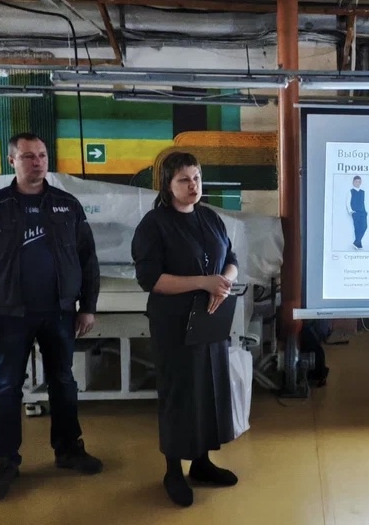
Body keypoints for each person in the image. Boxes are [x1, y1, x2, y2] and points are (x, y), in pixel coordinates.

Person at [0, 132, 103, 503]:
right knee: (7, 388)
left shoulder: (67, 205)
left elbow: (88, 260)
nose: (37, 162)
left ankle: (69, 450)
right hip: (8, 316)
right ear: (12, 161)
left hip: (59, 312)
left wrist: (87, 306)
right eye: (28, 156)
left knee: (63, 382)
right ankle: (4, 463)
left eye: (41, 155)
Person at [131, 152, 240, 508]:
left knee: (208, 390)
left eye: (196, 178)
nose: (193, 186)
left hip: (209, 320)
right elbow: (151, 279)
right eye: (184, 180)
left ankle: (202, 462)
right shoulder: (155, 224)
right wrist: (204, 282)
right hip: (174, 323)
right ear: (167, 184)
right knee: (179, 395)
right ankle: (173, 471)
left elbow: (231, 259)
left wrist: (224, 281)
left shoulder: (209, 217)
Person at [347, 175, 367, 250]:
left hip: (363, 212)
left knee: (364, 226)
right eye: (356, 182)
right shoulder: (351, 192)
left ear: (360, 182)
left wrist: (365, 211)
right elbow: (348, 202)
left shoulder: (362, 192)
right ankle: (358, 244)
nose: (358, 183)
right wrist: (351, 211)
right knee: (357, 228)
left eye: (359, 182)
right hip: (356, 212)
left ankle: (356, 242)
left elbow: (363, 202)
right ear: (353, 182)